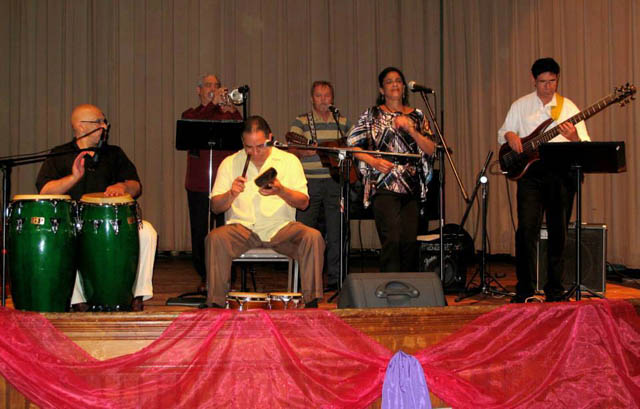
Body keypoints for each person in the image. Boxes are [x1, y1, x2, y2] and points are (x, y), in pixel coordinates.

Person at [36, 104, 157, 311]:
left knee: (147, 231)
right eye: (99, 122)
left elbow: (136, 186)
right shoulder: (59, 155)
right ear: (82, 127)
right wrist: (73, 178)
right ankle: (77, 300)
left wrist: (123, 186)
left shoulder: (114, 153)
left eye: (104, 122)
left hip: (113, 221)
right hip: (74, 221)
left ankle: (137, 294)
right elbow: (44, 191)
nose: (105, 126)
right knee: (63, 236)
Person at [204, 116, 324, 308]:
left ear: (270, 137)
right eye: (248, 147)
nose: (254, 152)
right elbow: (215, 207)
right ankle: (217, 304)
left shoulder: (289, 161)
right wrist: (231, 194)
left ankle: (311, 301)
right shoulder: (230, 162)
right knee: (215, 238)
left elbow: (303, 203)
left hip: (281, 229)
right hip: (242, 229)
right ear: (242, 142)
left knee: (313, 237)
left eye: (260, 146)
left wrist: (281, 190)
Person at [498, 57, 590, 303]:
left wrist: (573, 138)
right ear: (533, 80)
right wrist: (509, 136)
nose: (548, 87)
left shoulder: (569, 107)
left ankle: (555, 290)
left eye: (552, 81)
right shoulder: (520, 105)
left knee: (558, 233)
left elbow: (586, 146)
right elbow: (503, 131)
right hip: (530, 176)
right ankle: (525, 289)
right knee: (526, 231)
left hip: (561, 175)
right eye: (542, 82)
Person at [347, 67, 436, 272]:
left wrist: (411, 129)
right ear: (381, 89)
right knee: (392, 238)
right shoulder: (372, 114)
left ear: (404, 87)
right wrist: (373, 161)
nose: (395, 84)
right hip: (384, 182)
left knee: (409, 242)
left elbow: (431, 149)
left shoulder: (418, 115)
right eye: (389, 82)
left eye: (398, 81)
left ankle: (409, 291)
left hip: (412, 184)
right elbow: (352, 145)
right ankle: (389, 288)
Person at [182, 74, 243, 292]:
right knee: (201, 231)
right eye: (208, 85)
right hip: (199, 183)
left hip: (226, 184)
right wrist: (212, 106)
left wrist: (233, 112)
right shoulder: (191, 114)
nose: (213, 89)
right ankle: (205, 276)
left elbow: (241, 135)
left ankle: (228, 276)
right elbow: (193, 128)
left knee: (228, 230)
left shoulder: (228, 115)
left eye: (217, 85)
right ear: (198, 90)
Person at [289, 81, 352, 289]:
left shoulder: (341, 121)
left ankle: (336, 279)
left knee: (336, 232)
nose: (323, 100)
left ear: (332, 98)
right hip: (309, 183)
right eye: (318, 96)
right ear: (311, 98)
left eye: (326, 95)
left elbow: (354, 145)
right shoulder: (302, 121)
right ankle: (304, 279)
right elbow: (291, 148)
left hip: (335, 181)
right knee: (305, 231)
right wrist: (302, 151)